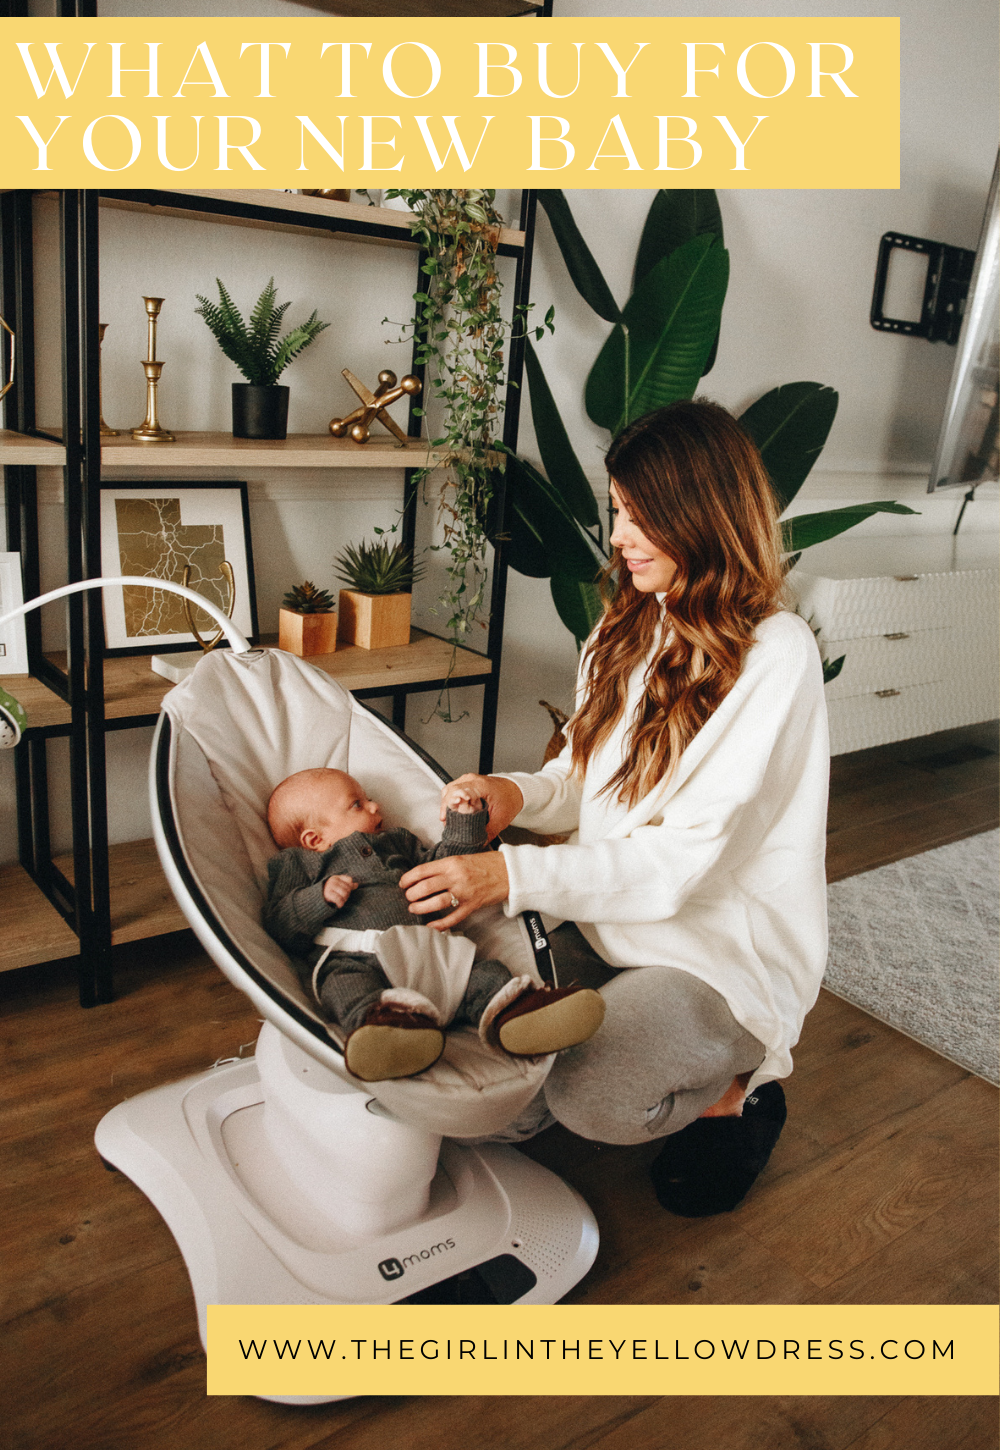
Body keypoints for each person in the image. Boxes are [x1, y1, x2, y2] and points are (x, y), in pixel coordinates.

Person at [398, 399, 829, 1216]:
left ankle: (740, 1089)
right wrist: (515, 792)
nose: (621, 535)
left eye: (640, 515)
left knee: (590, 1100)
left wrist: (507, 876)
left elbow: (677, 863)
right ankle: (640, 1039)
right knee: (498, 1095)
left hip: (712, 947)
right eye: (617, 510)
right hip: (607, 921)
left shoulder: (776, 655)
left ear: (701, 516)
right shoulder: (627, 627)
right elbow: (582, 784)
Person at [263, 767, 605, 1082]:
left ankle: (520, 1015)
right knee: (342, 986)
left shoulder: (398, 842)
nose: (374, 805)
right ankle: (388, 1031)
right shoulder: (299, 864)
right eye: (357, 804)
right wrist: (318, 898)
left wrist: (464, 819)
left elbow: (449, 865)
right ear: (313, 840)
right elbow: (280, 924)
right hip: (356, 958)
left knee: (485, 975)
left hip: (436, 954)